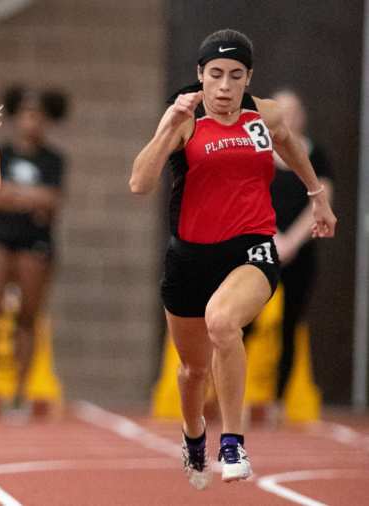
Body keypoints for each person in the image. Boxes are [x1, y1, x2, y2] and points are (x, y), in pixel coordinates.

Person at [129, 29, 335, 489]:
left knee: (223, 322)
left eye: (236, 76)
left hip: (251, 248)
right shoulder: (186, 120)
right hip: (189, 259)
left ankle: (233, 442)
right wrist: (166, 126)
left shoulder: (266, 114)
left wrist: (316, 194)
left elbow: (288, 142)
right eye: (216, 75)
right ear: (200, 76)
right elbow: (140, 184)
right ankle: (194, 436)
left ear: (249, 79)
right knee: (192, 370)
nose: (225, 86)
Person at [0, 86, 67, 417]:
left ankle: (19, 395)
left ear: (46, 120)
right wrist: (30, 197)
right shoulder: (0, 153)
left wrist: (13, 195)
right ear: (16, 117)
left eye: (37, 115)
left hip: (35, 242)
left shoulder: (54, 159)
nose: (30, 121)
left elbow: (53, 201)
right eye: (25, 113)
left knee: (28, 316)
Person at [242, 89, 333, 415]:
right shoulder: (254, 150)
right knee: (244, 321)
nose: (287, 117)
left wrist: (291, 242)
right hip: (260, 247)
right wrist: (270, 237)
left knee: (289, 327)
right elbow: (247, 194)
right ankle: (236, 394)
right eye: (280, 111)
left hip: (296, 253)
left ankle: (278, 402)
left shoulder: (314, 154)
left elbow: (321, 199)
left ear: (301, 117)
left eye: (293, 111)